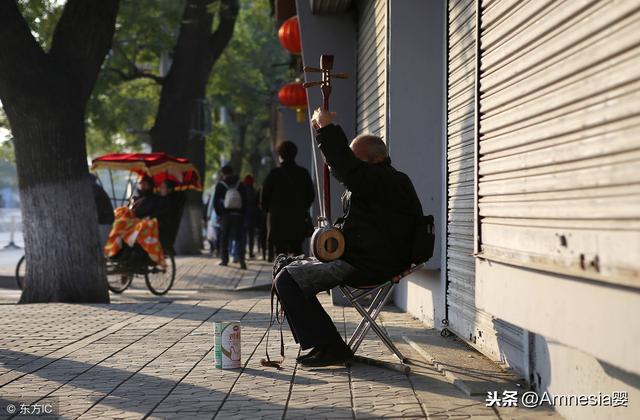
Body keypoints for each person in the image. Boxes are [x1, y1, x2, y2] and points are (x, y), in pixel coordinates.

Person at [272, 108, 424, 367]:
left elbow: (345, 168)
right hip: (366, 258)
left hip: (370, 264)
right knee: (287, 268)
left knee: (287, 280)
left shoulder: (385, 181)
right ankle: (323, 343)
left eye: (357, 160)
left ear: (374, 160)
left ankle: (330, 346)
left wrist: (326, 128)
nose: (346, 166)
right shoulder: (379, 181)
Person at [261, 141, 314, 258]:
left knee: (280, 254)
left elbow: (264, 198)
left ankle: (280, 274)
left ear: (280, 155)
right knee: (297, 252)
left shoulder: (274, 174)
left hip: (278, 221)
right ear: (295, 154)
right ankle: (296, 275)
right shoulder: (303, 173)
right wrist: (302, 207)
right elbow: (311, 195)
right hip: (297, 219)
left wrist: (270, 210)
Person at [213, 165, 247, 270]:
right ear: (233, 172)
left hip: (226, 215)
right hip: (238, 215)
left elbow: (215, 202)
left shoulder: (220, 185)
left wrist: (220, 214)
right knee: (239, 238)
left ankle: (225, 259)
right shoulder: (240, 184)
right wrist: (242, 213)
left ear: (223, 173)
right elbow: (245, 200)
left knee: (224, 238)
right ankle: (242, 260)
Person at [90, 173, 114, 246]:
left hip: (103, 222)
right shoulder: (95, 188)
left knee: (99, 245)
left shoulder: (94, 189)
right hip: (103, 221)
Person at [242, 174, 259, 259]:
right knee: (251, 235)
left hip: (243, 215)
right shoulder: (254, 191)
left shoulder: (242, 190)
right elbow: (257, 203)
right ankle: (251, 252)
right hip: (252, 215)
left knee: (243, 234)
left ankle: (243, 251)